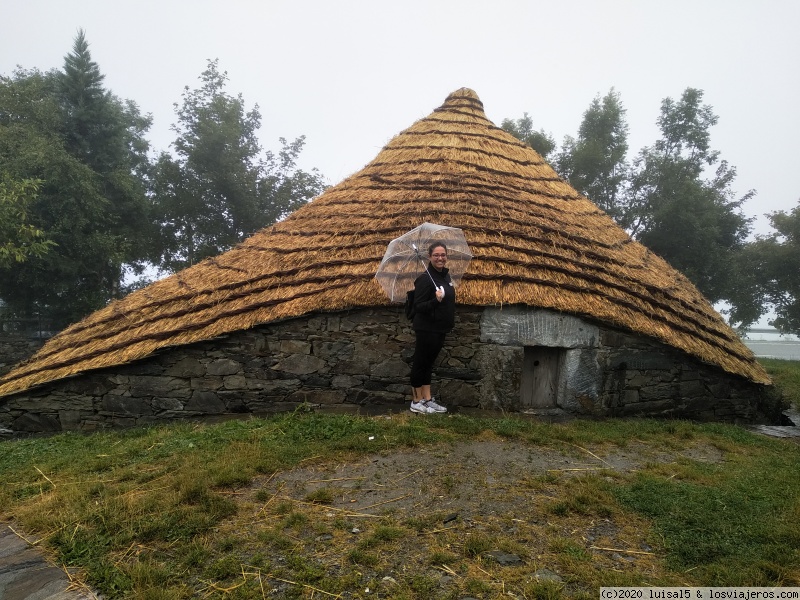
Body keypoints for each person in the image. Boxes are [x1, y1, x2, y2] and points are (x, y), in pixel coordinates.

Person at [409, 242, 455, 414]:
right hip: (426, 328)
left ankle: (427, 400)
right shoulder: (424, 278)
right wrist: (436, 301)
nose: (440, 258)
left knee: (429, 364)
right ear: (430, 257)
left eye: (443, 254)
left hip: (440, 328)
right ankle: (416, 401)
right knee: (420, 363)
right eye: (436, 255)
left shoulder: (445, 277)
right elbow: (418, 306)